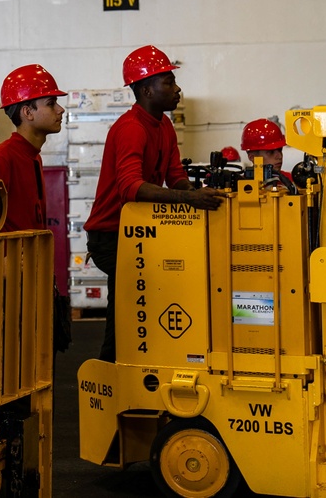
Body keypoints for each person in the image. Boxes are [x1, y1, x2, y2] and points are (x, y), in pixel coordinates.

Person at [84, 45, 224, 362]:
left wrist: (200, 194)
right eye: (169, 83)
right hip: (111, 236)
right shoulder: (132, 128)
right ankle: (114, 366)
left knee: (138, 303)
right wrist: (190, 199)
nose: (177, 90)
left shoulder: (163, 125)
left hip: (137, 231)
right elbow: (131, 186)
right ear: (147, 89)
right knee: (129, 307)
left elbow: (175, 175)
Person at [0, 64, 67, 232]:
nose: (60, 109)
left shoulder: (34, 156)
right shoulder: (2, 158)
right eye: (51, 103)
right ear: (28, 113)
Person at [241, 118, 296, 192]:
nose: (279, 156)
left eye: (280, 150)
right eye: (271, 152)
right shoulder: (241, 184)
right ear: (252, 157)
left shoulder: (290, 180)